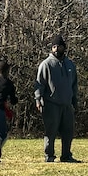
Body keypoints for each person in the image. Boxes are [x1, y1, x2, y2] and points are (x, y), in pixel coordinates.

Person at [34, 34, 80, 163]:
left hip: (67, 104)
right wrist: (38, 99)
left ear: (63, 48)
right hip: (51, 104)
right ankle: (49, 155)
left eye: (58, 47)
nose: (55, 49)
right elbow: (39, 83)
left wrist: (74, 100)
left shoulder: (70, 65)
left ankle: (66, 155)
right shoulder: (46, 64)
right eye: (54, 47)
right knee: (51, 131)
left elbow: (74, 84)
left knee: (68, 131)